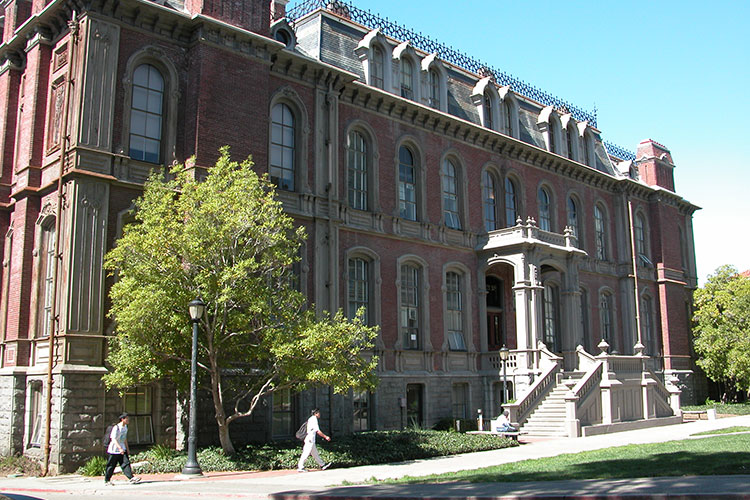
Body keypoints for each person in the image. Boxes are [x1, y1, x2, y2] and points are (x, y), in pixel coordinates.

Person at [104, 413, 141, 485]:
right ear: (122, 419)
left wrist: (127, 448)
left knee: (126, 463)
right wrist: (119, 448)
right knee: (111, 465)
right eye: (127, 418)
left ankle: (131, 478)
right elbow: (113, 439)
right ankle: (107, 480)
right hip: (114, 450)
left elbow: (124, 439)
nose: (128, 420)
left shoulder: (125, 427)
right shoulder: (116, 427)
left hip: (122, 449)